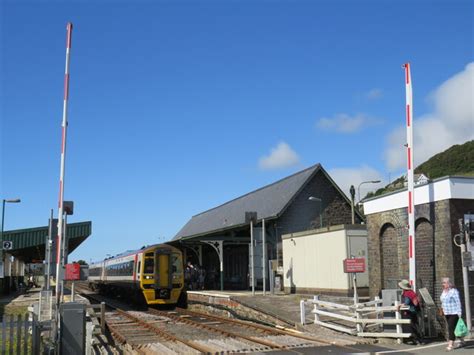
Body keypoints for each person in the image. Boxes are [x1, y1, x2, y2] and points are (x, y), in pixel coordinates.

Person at [440, 277, 465, 351]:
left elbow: (458, 302)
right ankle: (462, 340)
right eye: (443, 283)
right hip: (447, 312)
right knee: (455, 328)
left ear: (449, 283)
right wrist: (442, 309)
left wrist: (459, 313)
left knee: (451, 328)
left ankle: (450, 344)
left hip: (454, 312)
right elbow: (443, 301)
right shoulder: (443, 291)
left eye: (445, 282)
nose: (443, 284)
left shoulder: (454, 291)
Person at [398, 279, 423, 345]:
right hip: (416, 310)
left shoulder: (407, 293)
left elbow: (406, 302)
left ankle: (416, 340)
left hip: (411, 311)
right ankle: (419, 339)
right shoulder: (412, 292)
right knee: (416, 325)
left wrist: (400, 305)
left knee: (412, 326)